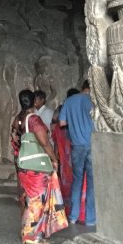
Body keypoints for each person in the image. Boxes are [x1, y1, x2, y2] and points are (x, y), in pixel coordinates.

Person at [10, 89, 68, 244]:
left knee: (30, 198)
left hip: (23, 163)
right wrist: (54, 159)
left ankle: (29, 231)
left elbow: (14, 141)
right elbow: (44, 142)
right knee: (37, 200)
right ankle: (31, 235)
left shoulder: (18, 119)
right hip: (36, 165)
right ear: (34, 101)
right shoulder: (33, 119)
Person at [59, 80, 96, 226]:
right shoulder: (93, 101)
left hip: (76, 147)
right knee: (92, 182)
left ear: (82, 87)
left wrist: (75, 123)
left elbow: (62, 123)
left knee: (77, 181)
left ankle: (73, 217)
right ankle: (90, 219)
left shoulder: (69, 101)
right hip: (92, 145)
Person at [52, 88, 86, 224]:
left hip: (66, 154)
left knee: (70, 182)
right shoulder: (84, 108)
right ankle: (82, 214)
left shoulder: (63, 109)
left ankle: (70, 213)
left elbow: (57, 126)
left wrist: (55, 156)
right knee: (81, 181)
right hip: (78, 147)